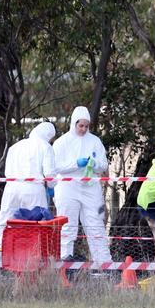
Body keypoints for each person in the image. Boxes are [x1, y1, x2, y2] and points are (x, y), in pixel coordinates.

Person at [0, 122, 57, 263]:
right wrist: (51, 186)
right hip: (33, 189)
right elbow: (50, 174)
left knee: (5, 224)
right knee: (36, 226)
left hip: (11, 188)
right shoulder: (45, 147)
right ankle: (31, 262)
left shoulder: (15, 146)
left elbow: (7, 171)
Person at [53, 106, 112, 262]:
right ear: (74, 123)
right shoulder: (62, 142)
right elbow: (56, 166)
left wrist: (94, 164)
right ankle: (65, 261)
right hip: (68, 188)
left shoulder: (95, 141)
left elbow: (103, 165)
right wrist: (76, 164)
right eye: (81, 125)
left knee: (96, 224)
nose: (84, 129)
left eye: (87, 126)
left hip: (90, 188)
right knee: (67, 224)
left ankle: (104, 263)